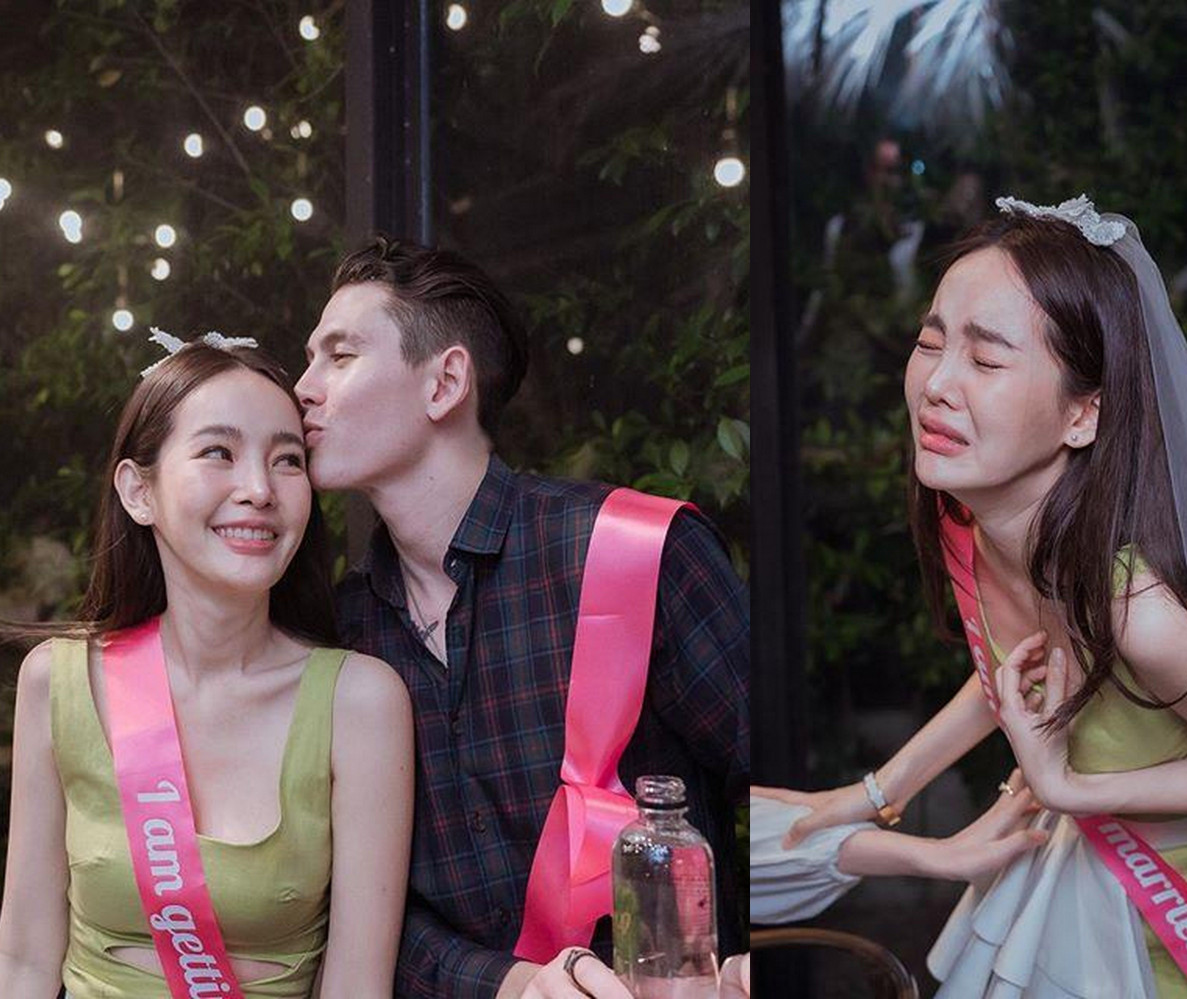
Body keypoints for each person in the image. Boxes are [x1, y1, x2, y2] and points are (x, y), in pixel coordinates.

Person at [753, 196, 1187, 998]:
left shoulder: (1139, 614)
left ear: (1084, 413)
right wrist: (880, 790)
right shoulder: (972, 521)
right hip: (1095, 885)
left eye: (986, 360)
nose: (936, 385)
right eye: (929, 342)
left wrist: (1072, 789)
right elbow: (1007, 669)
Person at [294, 237, 750, 999]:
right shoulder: (344, 630)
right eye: (309, 360)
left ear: (445, 383)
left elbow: (777, 784)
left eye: (339, 356)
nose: (304, 387)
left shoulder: (634, 552)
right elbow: (365, 906)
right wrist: (507, 982)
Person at [0, 338, 415, 997]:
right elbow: (23, 962)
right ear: (139, 491)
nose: (259, 490)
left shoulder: (359, 702)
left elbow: (358, 985)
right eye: (219, 452)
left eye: (287, 460)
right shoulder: (59, 682)